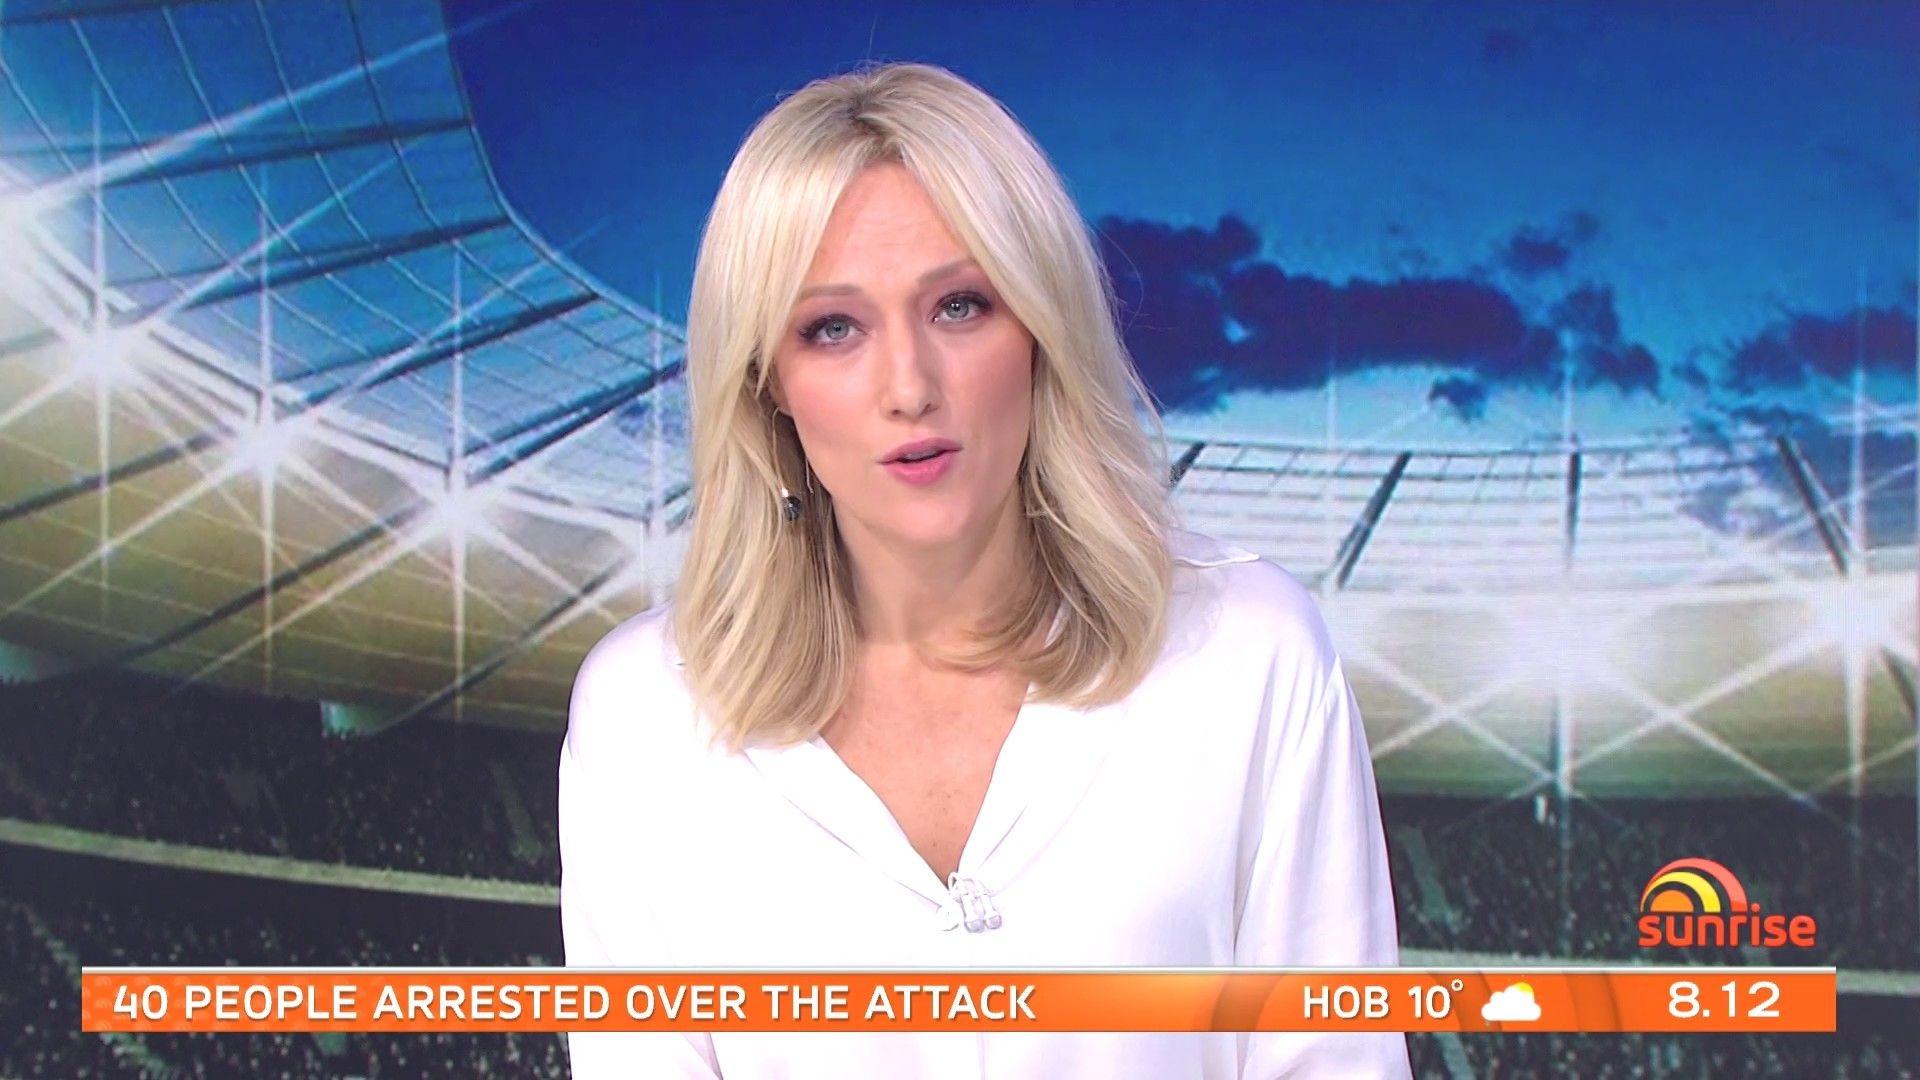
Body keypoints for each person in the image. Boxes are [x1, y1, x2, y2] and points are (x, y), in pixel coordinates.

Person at [558, 62, 1410, 1078]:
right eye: (833, 328)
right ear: (767, 381)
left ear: (1041, 328)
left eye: (960, 306)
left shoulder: (1248, 651)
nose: (909, 386)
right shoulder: (645, 717)